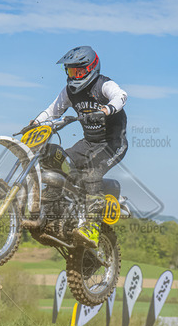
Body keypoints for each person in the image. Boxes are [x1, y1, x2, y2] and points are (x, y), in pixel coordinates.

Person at [31, 46, 128, 248]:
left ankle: (92, 227)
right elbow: (52, 110)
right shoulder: (69, 91)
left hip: (112, 143)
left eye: (78, 71)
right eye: (70, 71)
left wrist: (106, 109)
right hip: (88, 143)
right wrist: (35, 123)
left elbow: (121, 96)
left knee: (92, 173)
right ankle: (53, 209)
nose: (74, 75)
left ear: (91, 68)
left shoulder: (104, 85)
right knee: (55, 159)